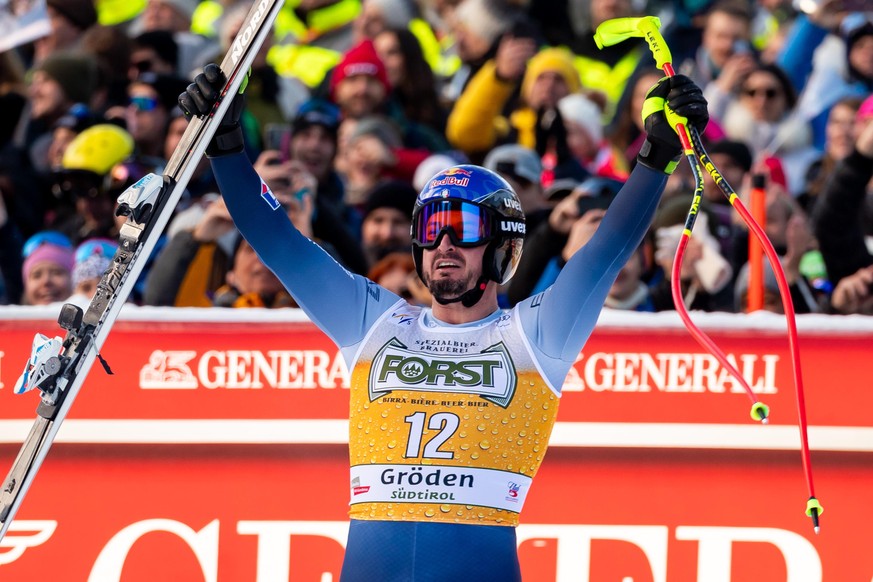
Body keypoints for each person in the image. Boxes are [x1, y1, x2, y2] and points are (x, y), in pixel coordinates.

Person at [180, 62, 708, 580]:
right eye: (431, 227)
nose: (444, 244)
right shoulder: (374, 323)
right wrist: (225, 144)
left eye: (463, 227)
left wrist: (657, 155)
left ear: (504, 246)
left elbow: (608, 248)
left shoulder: (535, 335)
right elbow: (280, 243)